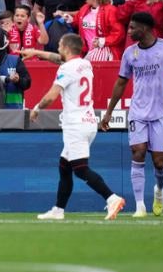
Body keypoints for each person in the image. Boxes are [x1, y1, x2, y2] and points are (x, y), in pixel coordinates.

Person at [26, 33, 126, 221]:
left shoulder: (66, 68)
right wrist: (37, 52)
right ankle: (58, 210)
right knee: (64, 166)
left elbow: (52, 95)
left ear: (65, 47)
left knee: (80, 169)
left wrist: (37, 108)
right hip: (88, 122)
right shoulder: (85, 63)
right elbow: (59, 60)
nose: (57, 49)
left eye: (59, 46)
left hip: (75, 124)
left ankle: (112, 198)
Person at [102, 13, 163, 218]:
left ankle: (159, 190)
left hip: (159, 113)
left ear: (146, 29)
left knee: (159, 162)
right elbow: (121, 82)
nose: (129, 32)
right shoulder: (130, 53)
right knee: (138, 152)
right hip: (137, 112)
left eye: (132, 28)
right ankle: (140, 206)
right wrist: (109, 112)